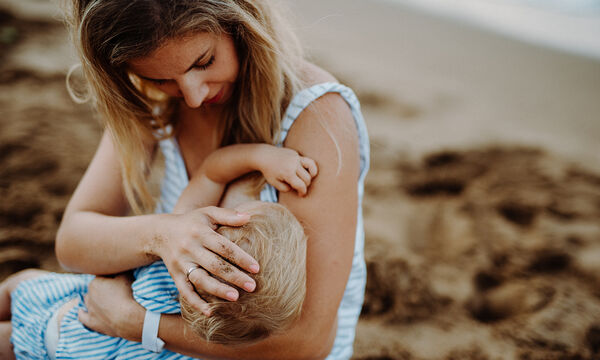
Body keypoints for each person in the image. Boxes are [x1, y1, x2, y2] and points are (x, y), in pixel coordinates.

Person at [4, 0, 370, 358]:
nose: (193, 97)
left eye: (204, 61)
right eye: (161, 78)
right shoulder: (149, 98)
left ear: (238, 23)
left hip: (237, 346)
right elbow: (73, 243)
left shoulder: (317, 114)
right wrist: (164, 234)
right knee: (22, 295)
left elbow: (310, 342)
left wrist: (137, 322)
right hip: (158, 309)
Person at [1, 143, 313, 359]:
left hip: (68, 319)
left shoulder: (186, 242)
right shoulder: (204, 334)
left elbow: (211, 173)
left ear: (217, 230)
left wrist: (261, 156)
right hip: (74, 350)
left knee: (20, 283)